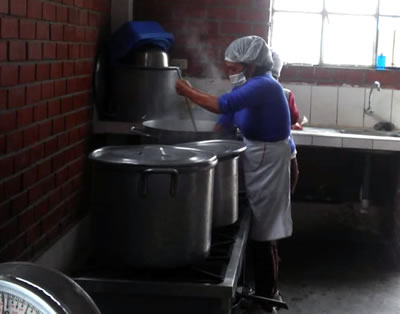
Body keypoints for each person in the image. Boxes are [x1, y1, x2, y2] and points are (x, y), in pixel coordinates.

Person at [176, 36, 292, 313]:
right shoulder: (250, 86)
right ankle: (263, 290)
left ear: (251, 65)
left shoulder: (264, 85)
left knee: (263, 232)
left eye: (232, 68)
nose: (230, 73)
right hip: (254, 155)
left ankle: (267, 297)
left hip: (267, 159)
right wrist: (199, 144)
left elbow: (222, 105)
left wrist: (187, 91)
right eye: (227, 68)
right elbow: (225, 119)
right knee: (253, 225)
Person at [271, 49, 300, 194]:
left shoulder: (248, 91)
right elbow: (294, 118)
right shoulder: (286, 93)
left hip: (256, 150)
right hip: (284, 147)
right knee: (290, 177)